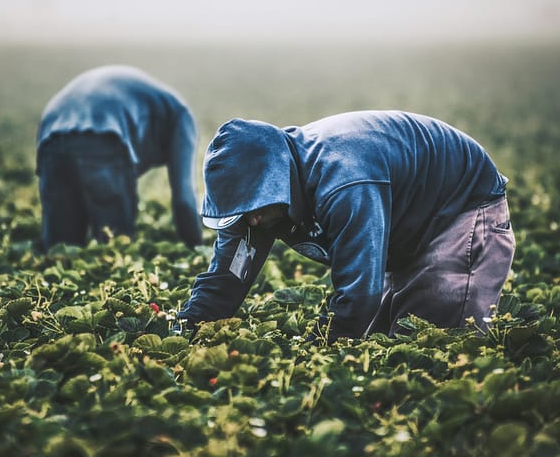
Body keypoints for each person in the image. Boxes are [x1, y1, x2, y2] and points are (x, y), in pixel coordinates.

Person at [177, 111, 515, 342]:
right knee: (388, 339)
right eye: (241, 212)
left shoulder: (344, 180)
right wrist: (185, 330)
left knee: (438, 338)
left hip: (461, 207)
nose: (251, 221)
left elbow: (359, 293)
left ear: (276, 182)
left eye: (254, 208)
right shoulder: (258, 208)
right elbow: (226, 278)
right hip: (405, 222)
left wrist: (316, 348)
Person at [36, 65, 202, 250]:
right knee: (114, 247)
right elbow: (184, 199)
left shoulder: (157, 106)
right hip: (103, 132)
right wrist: (197, 248)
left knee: (61, 250)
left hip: (51, 133)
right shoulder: (182, 117)